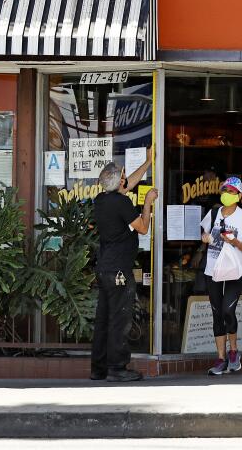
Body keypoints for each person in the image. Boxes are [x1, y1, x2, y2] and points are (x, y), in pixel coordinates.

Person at [90, 159, 156, 382]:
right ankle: (117, 368)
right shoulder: (122, 203)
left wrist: (148, 162)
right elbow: (144, 228)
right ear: (119, 181)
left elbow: (127, 185)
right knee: (120, 319)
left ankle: (98, 369)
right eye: (123, 175)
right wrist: (147, 202)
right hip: (119, 269)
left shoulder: (101, 200)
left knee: (103, 319)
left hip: (104, 268)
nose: (126, 178)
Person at [200, 176, 242, 376]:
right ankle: (221, 358)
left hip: (234, 270)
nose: (228, 194)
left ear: (239, 196)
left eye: (232, 192)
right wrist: (205, 238)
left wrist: (234, 242)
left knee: (227, 311)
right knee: (217, 313)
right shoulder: (214, 212)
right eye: (225, 190)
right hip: (213, 270)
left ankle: (234, 352)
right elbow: (204, 235)